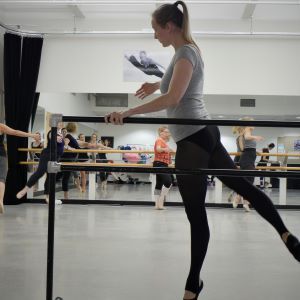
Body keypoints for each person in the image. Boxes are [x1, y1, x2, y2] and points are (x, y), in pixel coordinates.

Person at [105, 1, 300, 299]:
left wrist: (129, 112)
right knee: (242, 187)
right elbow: (173, 86)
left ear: (170, 26)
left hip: (193, 137)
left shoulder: (185, 53)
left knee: (196, 216)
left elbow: (175, 98)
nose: (155, 35)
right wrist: (155, 84)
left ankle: (192, 285)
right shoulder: (184, 52)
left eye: (156, 29)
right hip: (205, 133)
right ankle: (286, 234)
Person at [16, 122, 64, 203]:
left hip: (56, 157)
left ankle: (47, 197)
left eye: (61, 123)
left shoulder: (61, 133)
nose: (60, 124)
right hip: (48, 154)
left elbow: (63, 144)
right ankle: (25, 189)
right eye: (58, 123)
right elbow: (51, 136)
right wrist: (56, 138)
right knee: (40, 172)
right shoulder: (52, 132)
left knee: (51, 176)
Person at [0, 123, 39, 214]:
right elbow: (15, 132)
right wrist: (32, 135)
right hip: (1, 155)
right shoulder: (0, 126)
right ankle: (0, 201)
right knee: (1, 179)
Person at [153, 126, 173, 210]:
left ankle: (157, 205)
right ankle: (160, 202)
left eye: (167, 132)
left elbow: (166, 151)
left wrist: (169, 150)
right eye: (165, 132)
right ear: (160, 132)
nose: (167, 133)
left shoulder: (164, 142)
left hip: (163, 164)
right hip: (159, 164)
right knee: (168, 182)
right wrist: (166, 149)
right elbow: (158, 149)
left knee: (159, 184)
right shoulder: (159, 140)